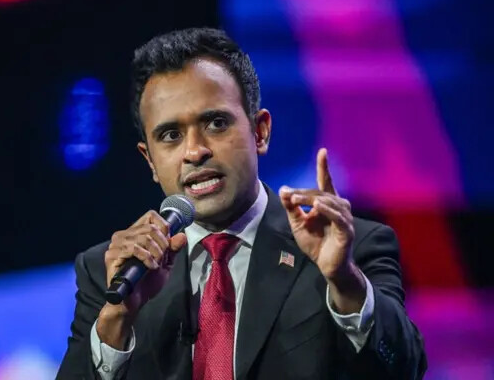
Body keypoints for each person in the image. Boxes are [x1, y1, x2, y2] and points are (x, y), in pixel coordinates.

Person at [57, 27, 426, 380]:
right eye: (170, 135)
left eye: (216, 123)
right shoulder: (112, 275)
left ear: (260, 131)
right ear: (150, 161)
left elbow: (404, 370)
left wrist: (345, 282)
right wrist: (118, 318)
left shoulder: (350, 249)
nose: (195, 151)